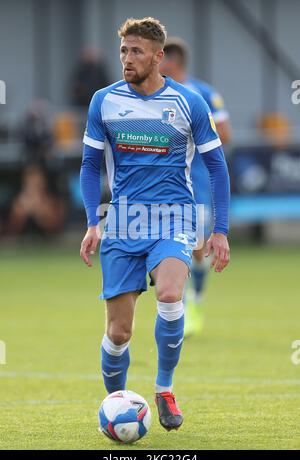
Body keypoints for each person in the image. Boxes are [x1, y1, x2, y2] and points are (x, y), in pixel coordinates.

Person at [80, 17, 230, 432]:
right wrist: (93, 222)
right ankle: (117, 402)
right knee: (118, 332)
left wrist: (221, 229)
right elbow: (90, 165)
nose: (127, 59)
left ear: (159, 58)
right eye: (124, 51)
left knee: (168, 294)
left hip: (175, 217)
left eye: (137, 52)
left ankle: (164, 389)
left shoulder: (189, 102)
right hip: (124, 222)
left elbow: (217, 168)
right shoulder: (104, 101)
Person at [160, 37, 231, 336]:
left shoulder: (203, 94)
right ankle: (177, 306)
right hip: (164, 186)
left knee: (197, 247)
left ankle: (196, 299)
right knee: (175, 245)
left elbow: (224, 133)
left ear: (172, 62)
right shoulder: (154, 95)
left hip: (197, 184)